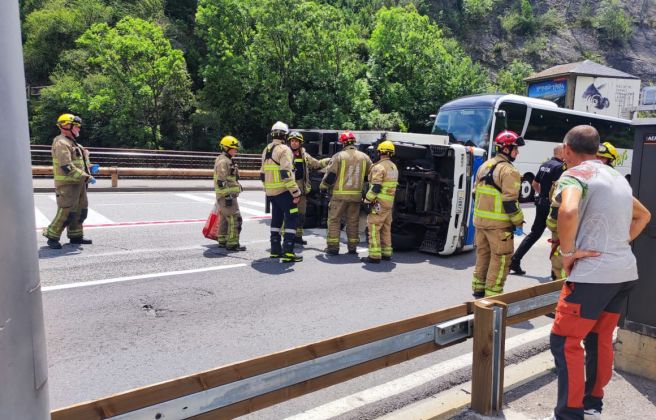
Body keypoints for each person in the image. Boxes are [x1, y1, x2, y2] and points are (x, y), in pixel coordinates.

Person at [548, 125, 651, 420]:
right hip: (623, 274)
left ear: (568, 149)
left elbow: (567, 212)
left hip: (592, 277)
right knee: (599, 338)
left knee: (565, 341)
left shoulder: (575, 175)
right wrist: (620, 242)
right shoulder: (615, 176)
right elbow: (644, 215)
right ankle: (593, 403)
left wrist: (568, 254)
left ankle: (569, 413)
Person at [471, 130, 525, 298]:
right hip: (499, 226)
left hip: (480, 223)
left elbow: (475, 193)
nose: (517, 152)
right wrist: (518, 222)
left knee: (483, 255)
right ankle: (493, 296)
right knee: (501, 259)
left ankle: (478, 288)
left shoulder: (484, 166)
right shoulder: (509, 171)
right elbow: (510, 202)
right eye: (515, 148)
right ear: (506, 149)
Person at [43, 113, 98, 249]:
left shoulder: (75, 144)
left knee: (80, 210)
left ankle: (76, 236)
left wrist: (90, 168)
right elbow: (66, 166)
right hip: (67, 185)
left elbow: (80, 163)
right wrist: (86, 176)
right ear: (67, 126)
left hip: (79, 184)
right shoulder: (61, 142)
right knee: (66, 211)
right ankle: (52, 236)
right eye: (77, 126)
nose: (79, 129)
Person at [510, 144, 566, 275]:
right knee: (558, 236)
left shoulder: (545, 164)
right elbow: (558, 188)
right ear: (562, 152)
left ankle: (515, 260)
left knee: (535, 233)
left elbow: (535, 184)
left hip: (541, 203)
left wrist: (542, 195)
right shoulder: (560, 167)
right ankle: (556, 272)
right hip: (552, 206)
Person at [320, 130, 372, 255]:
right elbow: (370, 175)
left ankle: (333, 248)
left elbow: (331, 176)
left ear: (342, 143)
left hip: (339, 196)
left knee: (334, 220)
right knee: (353, 222)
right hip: (356, 196)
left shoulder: (339, 156)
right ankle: (352, 248)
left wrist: (323, 186)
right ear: (354, 142)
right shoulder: (364, 157)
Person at [261, 121, 303, 263]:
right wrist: (296, 193)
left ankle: (275, 251)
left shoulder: (266, 149)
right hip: (284, 193)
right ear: (285, 135)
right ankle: (288, 252)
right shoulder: (285, 150)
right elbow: (286, 173)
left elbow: (262, 174)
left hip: (271, 193)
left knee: (276, 220)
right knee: (292, 218)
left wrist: (268, 189)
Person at [286, 131, 330, 246]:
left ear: (300, 143)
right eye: (292, 141)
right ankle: (288, 239)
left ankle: (298, 237)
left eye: (297, 141)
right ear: (289, 142)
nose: (294, 143)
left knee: (301, 215)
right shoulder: (285, 154)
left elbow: (316, 164)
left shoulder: (304, 155)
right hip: (289, 190)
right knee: (289, 215)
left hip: (302, 189)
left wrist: (328, 161)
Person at [361, 141, 398, 264]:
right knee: (386, 228)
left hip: (379, 203)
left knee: (374, 228)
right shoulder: (394, 167)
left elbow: (376, 187)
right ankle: (387, 253)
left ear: (380, 152)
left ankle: (374, 256)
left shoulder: (379, 167)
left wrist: (367, 200)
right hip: (389, 203)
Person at [214, 135, 245, 251]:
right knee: (235, 219)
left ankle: (223, 240)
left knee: (224, 219)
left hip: (224, 196)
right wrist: (227, 195)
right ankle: (232, 244)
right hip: (227, 196)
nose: (236, 150)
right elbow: (221, 181)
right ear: (226, 148)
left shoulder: (225, 159)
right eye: (234, 148)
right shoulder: (224, 161)